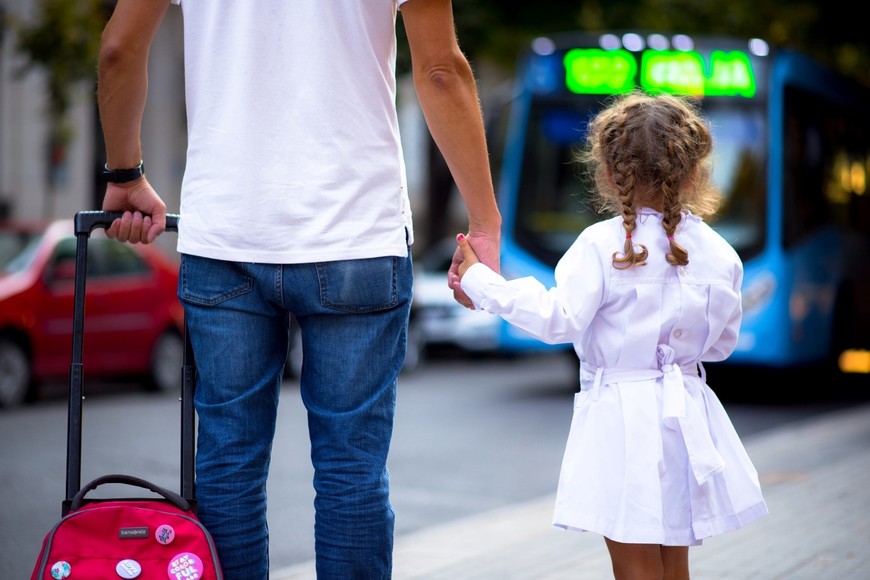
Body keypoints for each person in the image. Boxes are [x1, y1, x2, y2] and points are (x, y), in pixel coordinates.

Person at [96, 1, 501, 578]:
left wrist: (124, 172)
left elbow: (118, 48)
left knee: (229, 466)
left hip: (227, 235)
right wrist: (484, 223)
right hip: (357, 233)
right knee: (351, 472)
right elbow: (441, 70)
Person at [455, 91, 768, 579]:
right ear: (693, 172)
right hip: (686, 414)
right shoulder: (720, 253)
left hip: (621, 418)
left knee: (634, 562)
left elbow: (557, 319)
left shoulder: (601, 245)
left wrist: (479, 280)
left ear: (607, 171)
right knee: (674, 560)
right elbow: (722, 346)